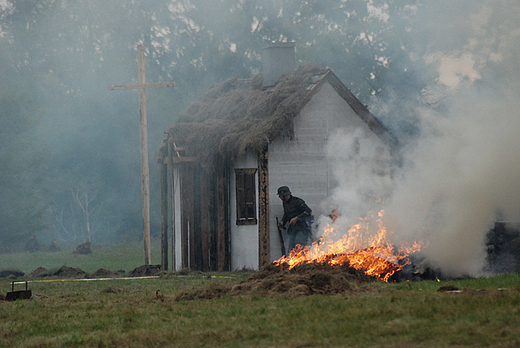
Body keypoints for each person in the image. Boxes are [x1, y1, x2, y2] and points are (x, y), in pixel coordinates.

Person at [277, 186, 312, 255]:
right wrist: (282, 222)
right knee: (291, 248)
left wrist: (297, 218)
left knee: (299, 246)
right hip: (293, 229)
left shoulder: (298, 202)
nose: (279, 197)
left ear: (284, 195)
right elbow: (287, 214)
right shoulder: (285, 203)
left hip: (302, 228)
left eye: (280, 196)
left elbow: (308, 212)